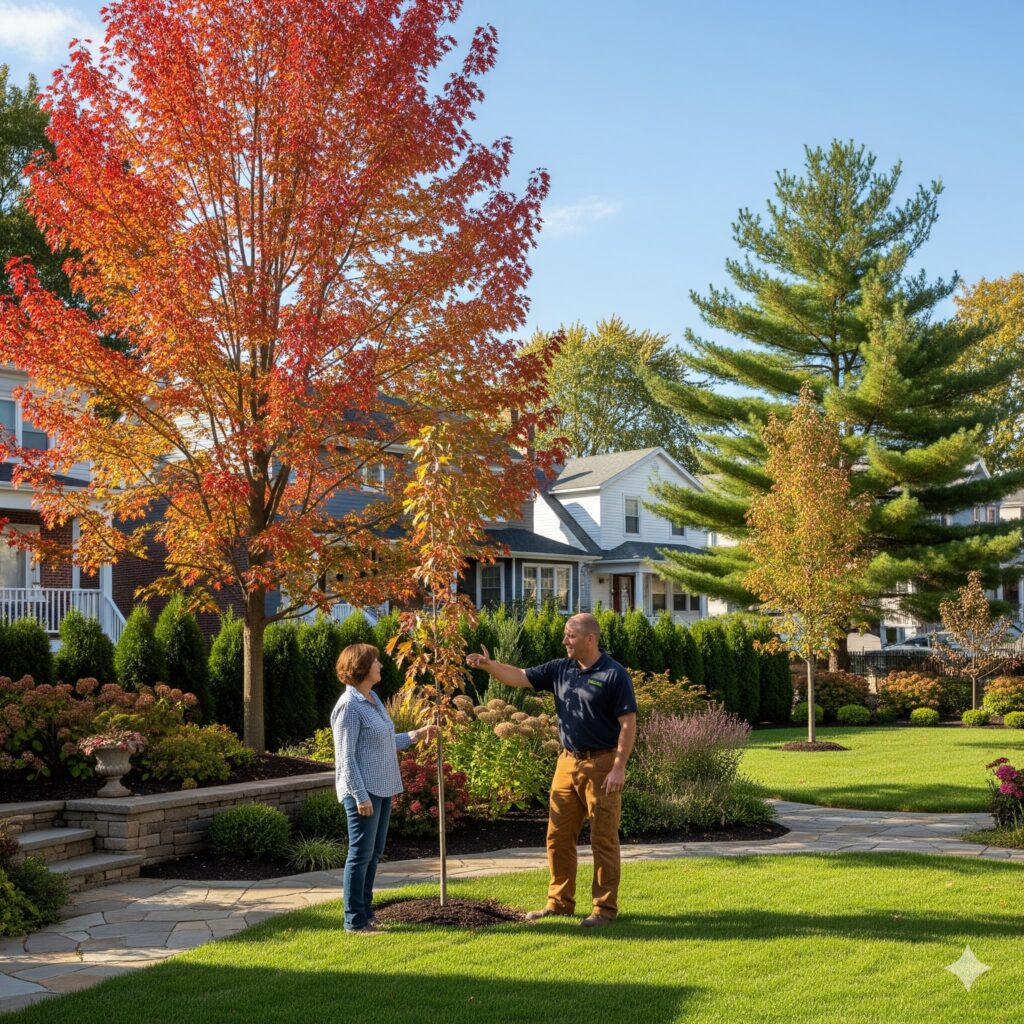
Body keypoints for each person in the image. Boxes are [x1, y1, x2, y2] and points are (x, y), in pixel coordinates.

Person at [467, 612, 636, 927]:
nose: (564, 640)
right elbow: (519, 675)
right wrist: (489, 666)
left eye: (570, 635)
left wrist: (618, 767)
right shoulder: (560, 669)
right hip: (566, 762)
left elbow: (628, 724)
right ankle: (559, 903)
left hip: (601, 764)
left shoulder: (614, 675)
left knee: (603, 838)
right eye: (564, 635)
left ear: (590, 638)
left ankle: (604, 909)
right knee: (557, 837)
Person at [331, 642, 437, 934]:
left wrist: (416, 734)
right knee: (360, 854)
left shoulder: (373, 699)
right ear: (362, 667)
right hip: (363, 792)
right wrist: (359, 795)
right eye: (376, 661)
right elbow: (345, 757)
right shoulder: (349, 706)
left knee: (374, 853)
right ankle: (354, 920)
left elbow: (383, 740)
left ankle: (366, 913)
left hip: (383, 787)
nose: (381, 665)